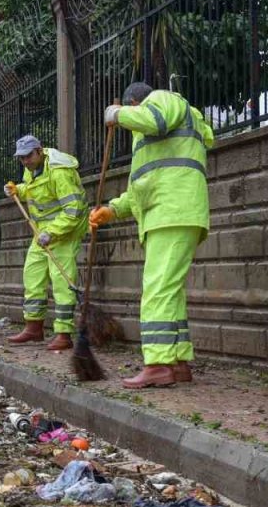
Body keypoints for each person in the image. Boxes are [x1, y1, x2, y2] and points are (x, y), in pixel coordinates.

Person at [91, 82, 214, 388]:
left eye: (132, 110)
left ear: (136, 102)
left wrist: (117, 113)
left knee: (157, 290)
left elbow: (153, 120)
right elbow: (143, 187)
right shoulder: (157, 140)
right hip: (173, 210)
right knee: (171, 292)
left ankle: (158, 363)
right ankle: (178, 361)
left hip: (171, 211)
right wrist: (113, 209)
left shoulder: (163, 100)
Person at [3, 135, 88, 351]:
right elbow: (36, 190)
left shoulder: (60, 172)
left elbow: (74, 210)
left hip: (64, 232)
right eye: (21, 158)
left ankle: (64, 333)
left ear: (39, 151)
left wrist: (51, 232)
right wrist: (18, 190)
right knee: (32, 275)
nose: (25, 161)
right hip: (40, 233)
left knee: (62, 281)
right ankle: (34, 327)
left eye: (28, 156)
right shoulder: (30, 169)